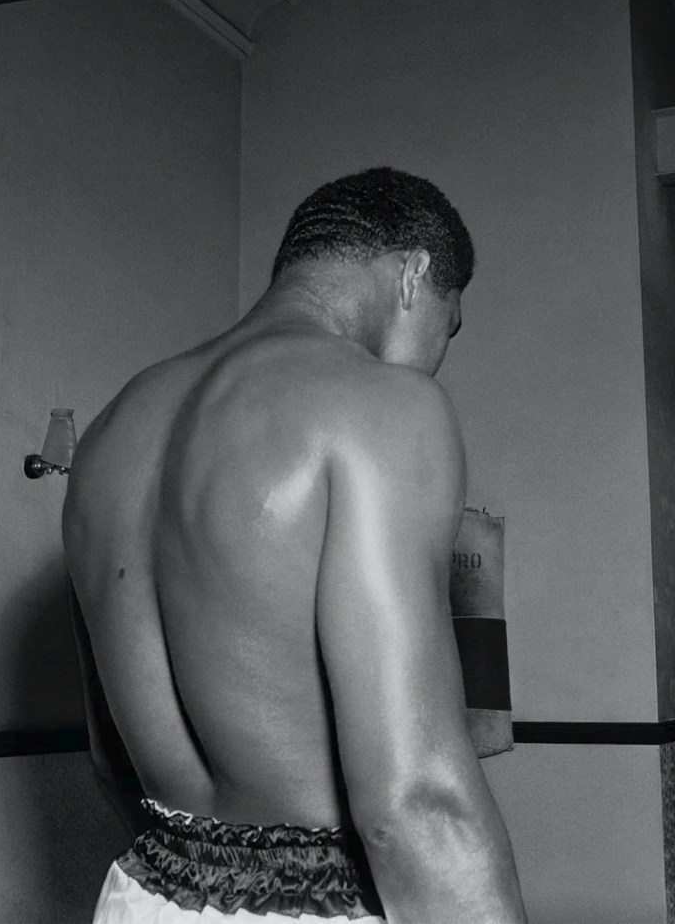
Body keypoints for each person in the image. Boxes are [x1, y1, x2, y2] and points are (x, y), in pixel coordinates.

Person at [63, 167, 527, 924]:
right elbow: (416, 801)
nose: (443, 354)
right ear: (413, 274)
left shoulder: (112, 430)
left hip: (143, 894)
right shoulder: (383, 406)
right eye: (451, 324)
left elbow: (108, 753)